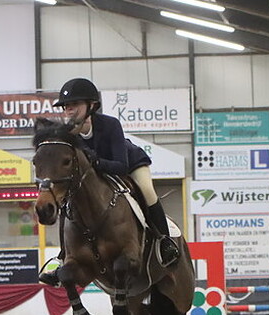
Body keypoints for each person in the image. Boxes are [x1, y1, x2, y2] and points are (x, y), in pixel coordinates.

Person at [39, 78, 179, 287]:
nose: (69, 111)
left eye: (74, 105)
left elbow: (120, 166)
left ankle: (164, 241)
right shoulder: (66, 134)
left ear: (91, 106)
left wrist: (95, 162)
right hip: (95, 177)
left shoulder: (110, 125)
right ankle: (62, 256)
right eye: (66, 107)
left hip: (129, 165)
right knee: (69, 204)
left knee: (147, 191)